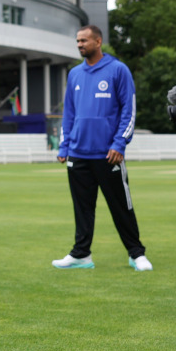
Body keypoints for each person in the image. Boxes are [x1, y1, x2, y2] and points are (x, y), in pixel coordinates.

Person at [54, 25, 151, 272]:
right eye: (77, 40)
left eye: (84, 40)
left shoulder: (118, 70)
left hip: (109, 154)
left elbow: (128, 110)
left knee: (121, 207)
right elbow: (69, 113)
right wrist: (64, 145)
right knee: (82, 209)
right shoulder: (74, 74)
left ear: (98, 41)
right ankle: (81, 255)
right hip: (78, 153)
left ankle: (136, 253)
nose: (79, 44)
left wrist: (120, 143)